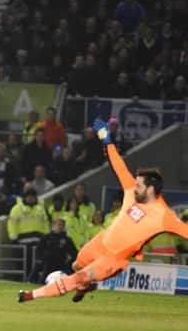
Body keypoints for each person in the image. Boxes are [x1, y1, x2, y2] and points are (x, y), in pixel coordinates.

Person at [19, 118, 188, 303]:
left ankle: (31, 295)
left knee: (80, 276)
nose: (134, 186)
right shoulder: (132, 191)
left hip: (114, 258)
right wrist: (106, 139)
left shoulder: (164, 215)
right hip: (101, 240)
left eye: (139, 185)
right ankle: (88, 286)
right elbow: (118, 165)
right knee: (76, 265)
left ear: (150, 189)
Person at [33, 218, 77, 284]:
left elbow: (73, 252)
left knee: (70, 280)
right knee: (40, 279)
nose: (60, 227)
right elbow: (39, 250)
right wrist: (40, 259)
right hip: (48, 263)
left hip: (61, 263)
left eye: (62, 225)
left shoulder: (66, 239)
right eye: (59, 225)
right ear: (53, 225)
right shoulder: (46, 237)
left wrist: (70, 261)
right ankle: (31, 282)